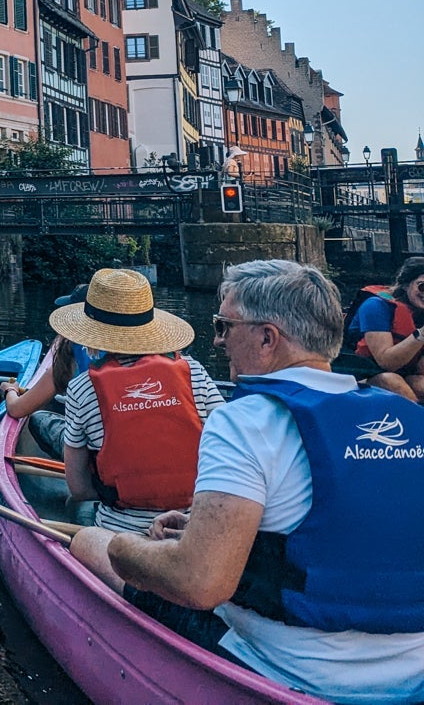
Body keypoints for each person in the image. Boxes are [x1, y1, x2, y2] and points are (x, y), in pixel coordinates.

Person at [70, 260, 424, 704]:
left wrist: (125, 549)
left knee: (87, 541)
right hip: (414, 672)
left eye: (223, 325)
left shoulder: (245, 421)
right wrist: (206, 526)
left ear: (266, 337)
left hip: (294, 668)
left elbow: (199, 584)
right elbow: (347, 523)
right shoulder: (409, 414)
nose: (217, 341)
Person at [56, 268, 223, 535]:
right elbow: (229, 449)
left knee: (79, 517)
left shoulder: (81, 388)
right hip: (191, 531)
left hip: (121, 535)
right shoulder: (194, 371)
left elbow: (79, 488)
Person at [0, 282, 97, 459]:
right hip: (126, 448)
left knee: (38, 418)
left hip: (93, 455)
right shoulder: (136, 355)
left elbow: (16, 409)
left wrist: (10, 390)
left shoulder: (68, 359)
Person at [343, 256, 424, 402]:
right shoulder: (376, 306)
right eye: (422, 286)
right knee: (391, 382)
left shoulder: (419, 313)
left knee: (419, 384)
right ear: (406, 284)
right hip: (363, 374)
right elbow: (386, 362)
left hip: (404, 372)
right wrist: (421, 335)